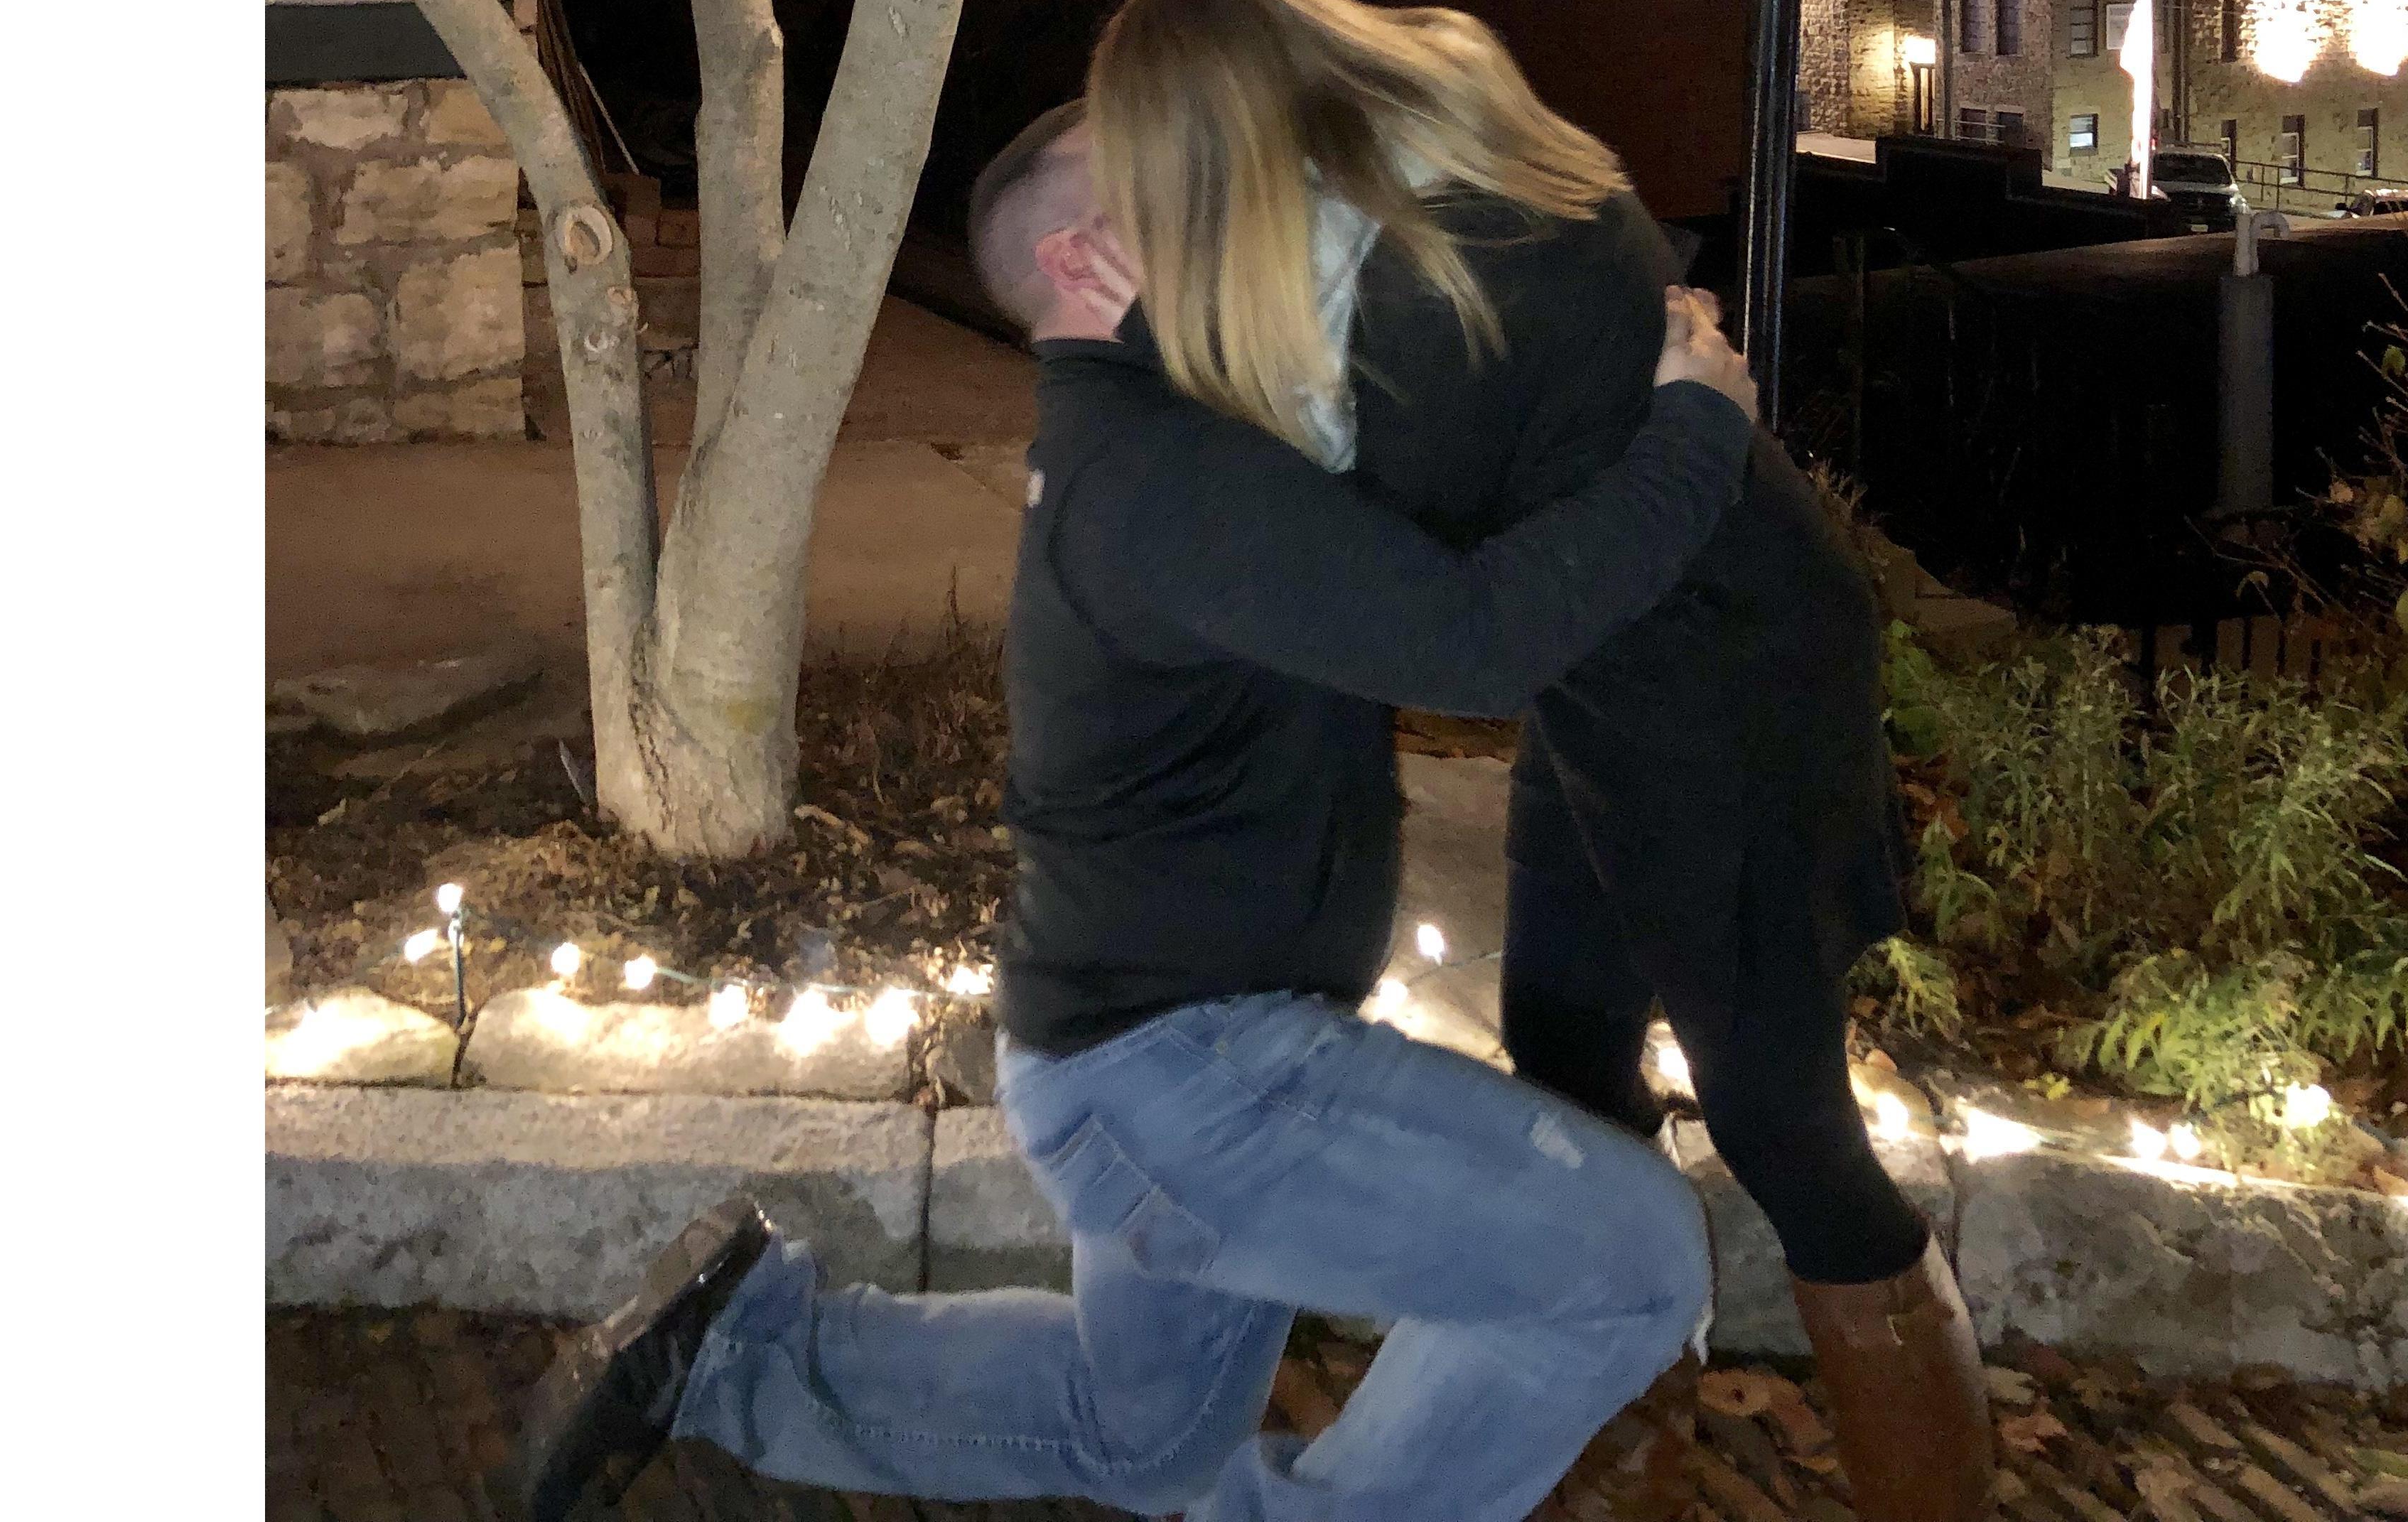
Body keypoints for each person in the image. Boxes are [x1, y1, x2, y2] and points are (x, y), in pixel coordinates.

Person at [514, 105, 1760, 1522]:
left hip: (1130, 1054)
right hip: (1196, 1076)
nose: (1249, 209)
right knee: (1630, 1262)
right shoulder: (1172, 480)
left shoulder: (1163, 444)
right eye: (1189, 187)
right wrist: (1700, 428)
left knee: (1141, 1432)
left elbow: (1429, 479)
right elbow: (1476, 644)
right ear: (1086, 258)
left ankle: (731, 1359)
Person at [1083, 0, 1994, 1522]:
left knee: (1785, 1125)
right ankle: (1619, 1453)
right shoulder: (1422, 153)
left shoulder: (1434, 294)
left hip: (1724, 684)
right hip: (1615, 663)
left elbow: (1454, 626)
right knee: (1566, 1060)